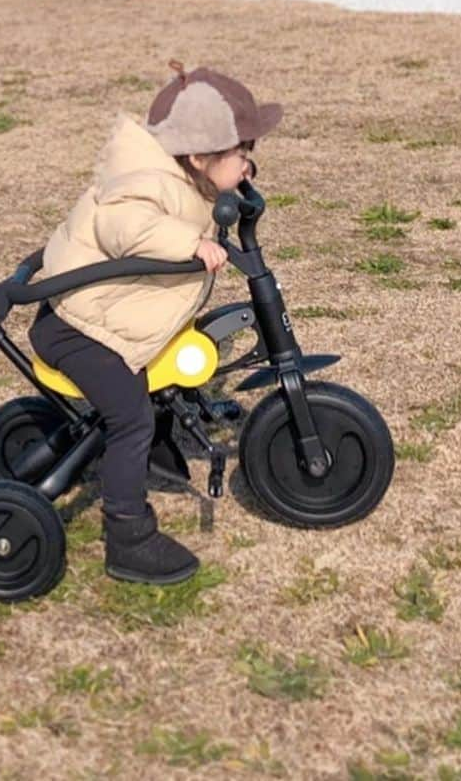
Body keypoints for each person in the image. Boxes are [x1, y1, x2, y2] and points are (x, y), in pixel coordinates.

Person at [31, 62, 282, 584]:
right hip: (80, 329)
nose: (249, 164)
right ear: (197, 157)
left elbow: (182, 202)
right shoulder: (144, 184)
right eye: (241, 155)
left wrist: (230, 192)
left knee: (163, 372)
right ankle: (128, 538)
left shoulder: (182, 177)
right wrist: (187, 243)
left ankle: (157, 452)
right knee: (130, 419)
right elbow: (124, 225)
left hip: (102, 317)